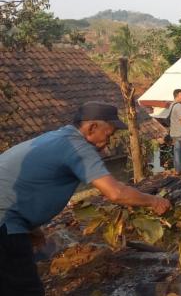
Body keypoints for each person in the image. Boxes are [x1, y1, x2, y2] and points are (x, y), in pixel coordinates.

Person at [0, 102, 171, 295]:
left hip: (10, 220)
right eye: (109, 134)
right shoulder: (78, 147)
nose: (109, 141)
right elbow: (116, 192)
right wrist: (154, 201)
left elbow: (22, 183)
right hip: (5, 224)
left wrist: (30, 227)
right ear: (92, 128)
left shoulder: (58, 137)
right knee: (26, 289)